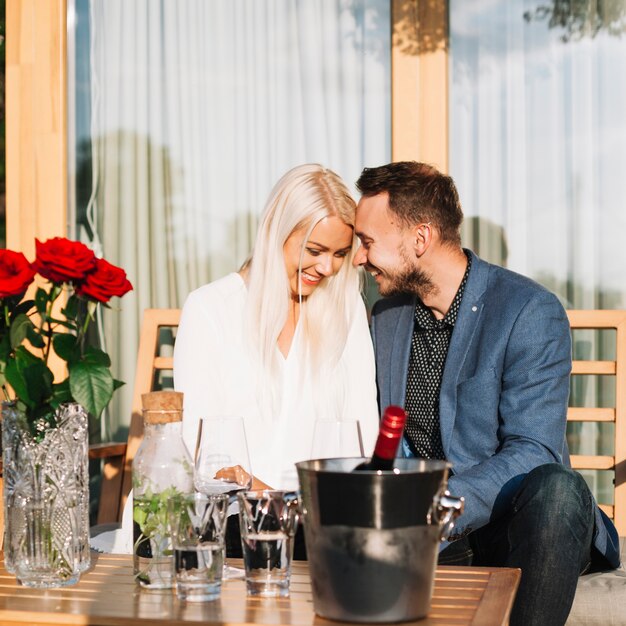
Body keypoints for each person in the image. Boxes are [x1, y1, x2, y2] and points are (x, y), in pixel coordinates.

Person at [352, 161, 620, 626]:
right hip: (434, 535)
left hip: (521, 525)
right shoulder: (387, 316)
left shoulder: (528, 311)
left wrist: (437, 507)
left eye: (368, 242)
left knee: (557, 487)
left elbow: (533, 450)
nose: (359, 257)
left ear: (420, 238)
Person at [174, 163, 379, 491]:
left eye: (340, 253)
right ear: (276, 233)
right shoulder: (210, 309)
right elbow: (203, 452)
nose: (327, 267)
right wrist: (273, 505)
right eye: (314, 250)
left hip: (321, 517)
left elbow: (363, 437)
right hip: (231, 514)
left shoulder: (346, 307)